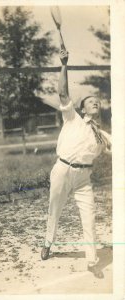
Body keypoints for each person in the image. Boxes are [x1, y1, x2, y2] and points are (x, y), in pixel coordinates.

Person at [41, 36, 111, 279]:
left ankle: (92, 262)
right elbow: (62, 91)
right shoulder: (73, 118)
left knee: (89, 218)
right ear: (82, 108)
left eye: (98, 102)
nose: (96, 103)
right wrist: (64, 64)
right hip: (62, 170)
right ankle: (49, 242)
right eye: (91, 102)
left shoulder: (102, 135)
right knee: (55, 209)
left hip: (84, 178)